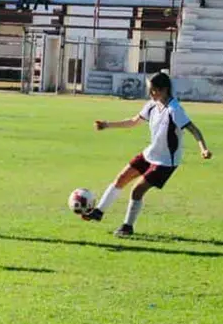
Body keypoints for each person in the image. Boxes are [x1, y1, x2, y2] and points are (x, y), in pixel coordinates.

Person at [84, 72, 212, 237]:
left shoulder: (174, 110)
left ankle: (127, 227)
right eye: (150, 90)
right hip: (150, 153)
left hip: (165, 162)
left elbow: (194, 129)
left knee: (137, 191)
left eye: (154, 90)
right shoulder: (152, 105)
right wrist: (107, 125)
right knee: (121, 178)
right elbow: (133, 121)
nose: (151, 94)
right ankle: (98, 212)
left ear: (164, 89)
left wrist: (203, 148)